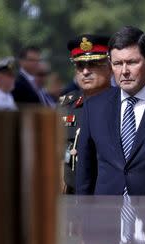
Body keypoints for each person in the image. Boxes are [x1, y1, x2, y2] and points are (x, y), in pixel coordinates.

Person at [76, 26, 145, 196]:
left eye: (132, 62)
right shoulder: (94, 108)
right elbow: (85, 174)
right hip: (105, 217)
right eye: (117, 64)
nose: (124, 71)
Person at [60, 34, 112, 194]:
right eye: (80, 65)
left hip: (107, 196)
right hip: (71, 196)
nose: (85, 71)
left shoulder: (122, 104)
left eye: (93, 64)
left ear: (110, 66)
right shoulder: (65, 105)